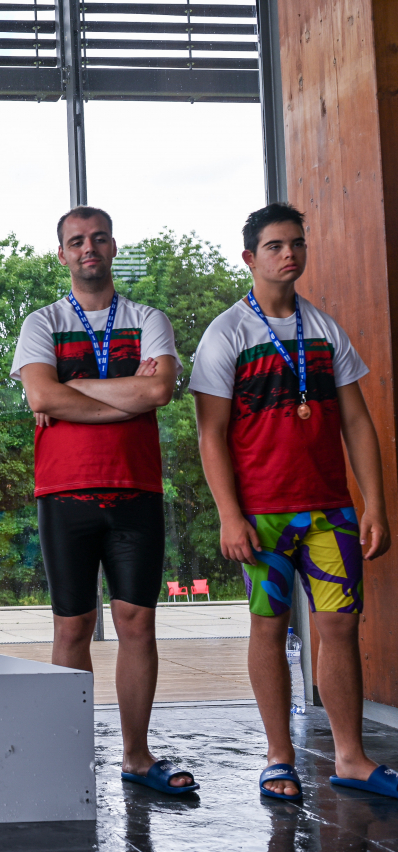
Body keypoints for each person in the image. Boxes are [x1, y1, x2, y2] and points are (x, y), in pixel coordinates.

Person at [192, 203, 394, 801]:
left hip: (331, 509)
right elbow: (210, 434)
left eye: (297, 244)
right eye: (276, 246)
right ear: (250, 258)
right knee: (269, 626)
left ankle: (350, 758)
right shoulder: (227, 332)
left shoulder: (326, 329)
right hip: (263, 514)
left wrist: (375, 504)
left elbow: (357, 422)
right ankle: (279, 756)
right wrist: (229, 514)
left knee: (340, 626)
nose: (290, 254)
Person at [11, 206, 195, 794]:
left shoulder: (148, 319)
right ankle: (68, 761)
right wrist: (124, 397)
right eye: (76, 241)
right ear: (62, 254)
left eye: (97, 238)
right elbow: (41, 396)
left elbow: (160, 389)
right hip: (64, 492)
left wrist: (72, 390)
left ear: (113, 246)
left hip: (136, 488)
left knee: (137, 623)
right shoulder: (42, 322)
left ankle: (137, 758)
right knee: (73, 627)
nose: (87, 248)